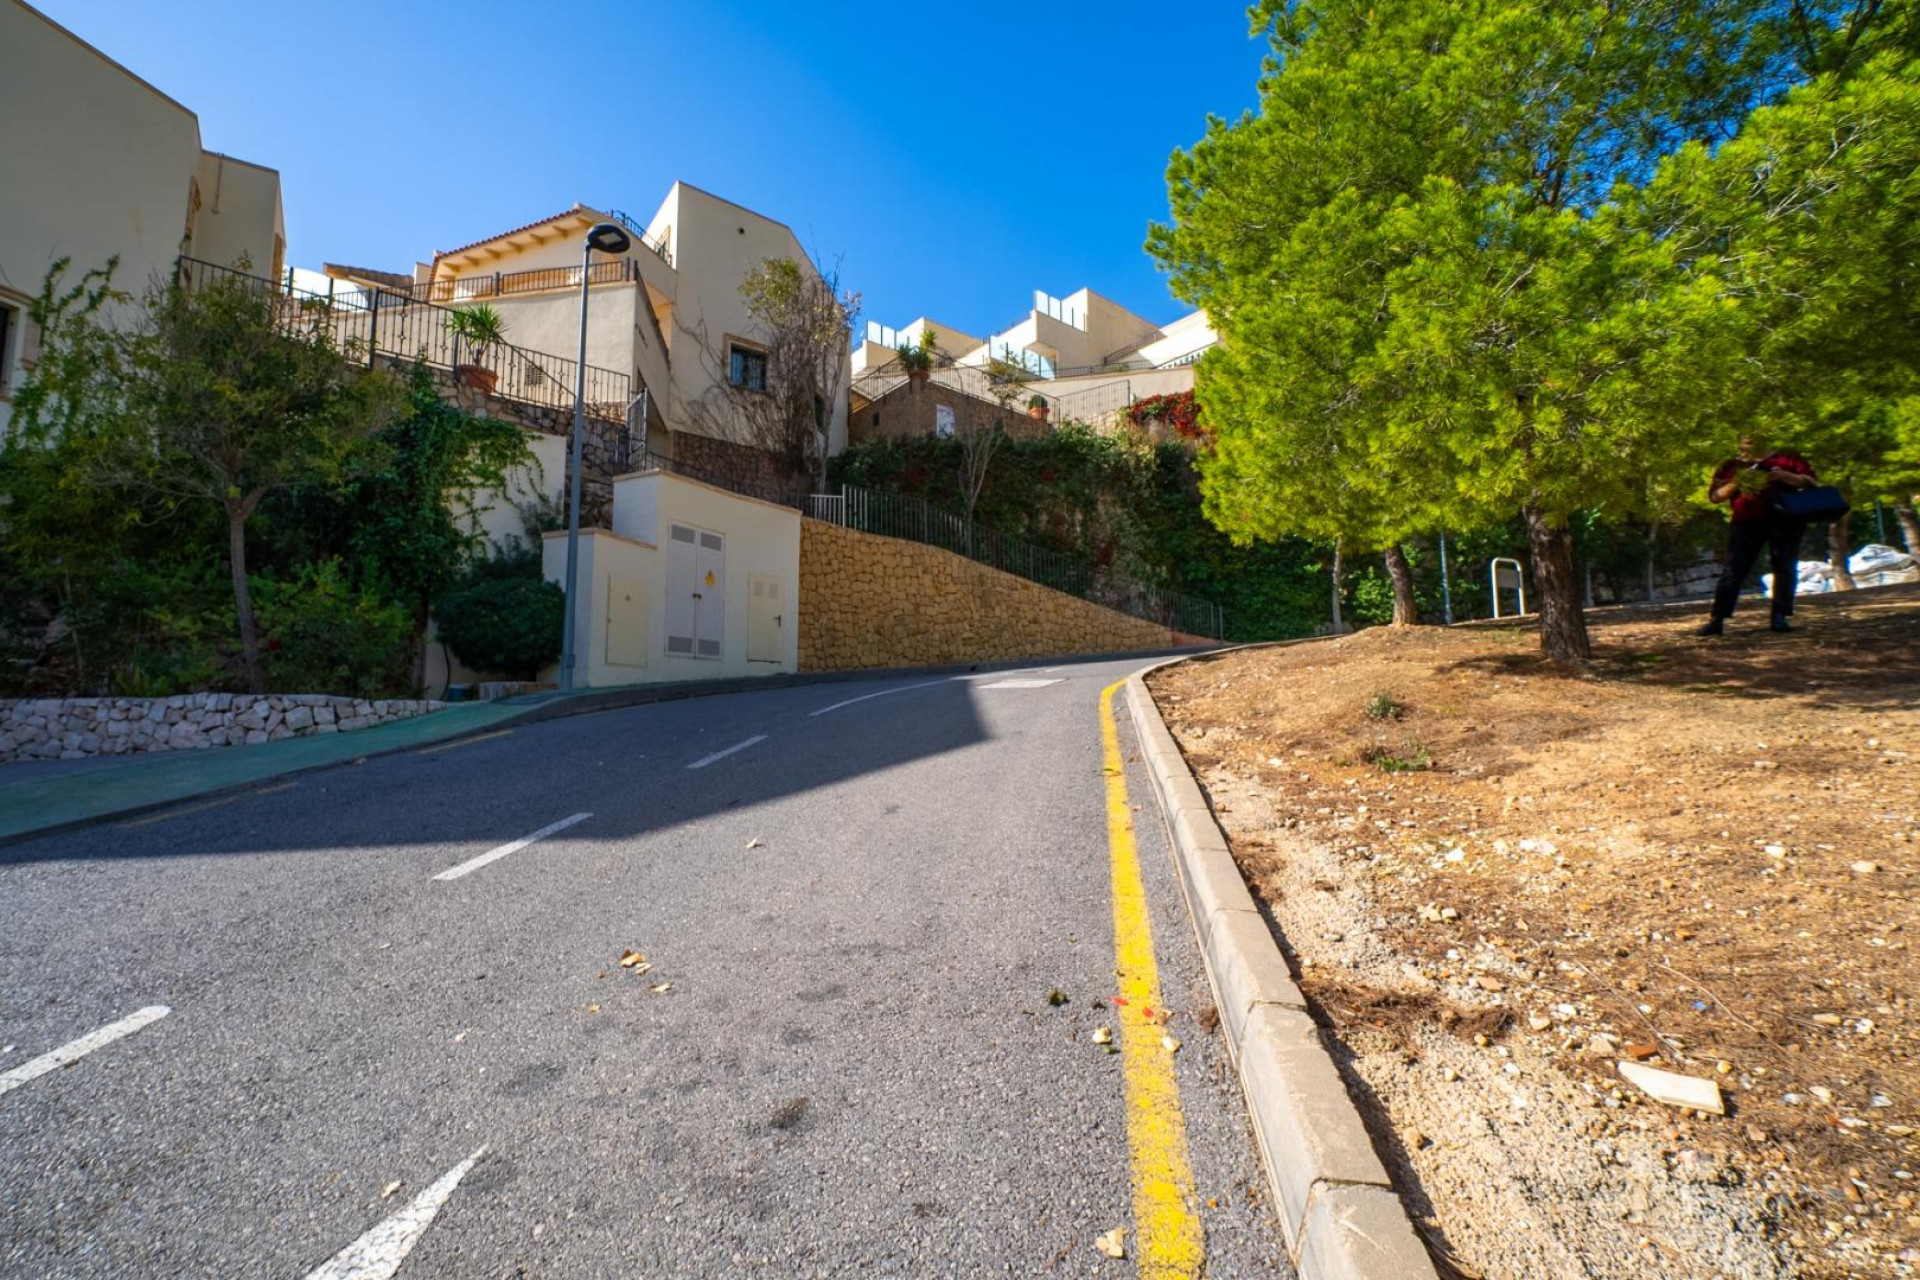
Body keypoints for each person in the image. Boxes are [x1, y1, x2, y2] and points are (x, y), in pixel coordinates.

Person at [1698, 435, 1818, 636]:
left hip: (1786, 520)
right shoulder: (1730, 465)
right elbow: (1715, 497)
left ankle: (1780, 616)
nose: (1750, 440)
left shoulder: (1787, 457)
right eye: (1746, 438)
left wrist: (1782, 476)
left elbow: (1811, 482)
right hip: (1746, 522)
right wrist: (1739, 481)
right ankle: (1717, 619)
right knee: (1734, 569)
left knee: (1785, 567)